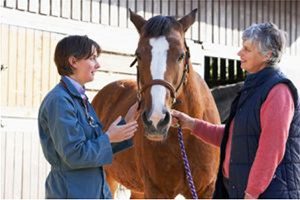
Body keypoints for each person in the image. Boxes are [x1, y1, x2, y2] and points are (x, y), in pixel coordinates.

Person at [172, 22, 300, 199]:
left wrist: (251, 193)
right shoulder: (253, 88)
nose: (240, 53)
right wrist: (191, 124)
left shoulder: (278, 92)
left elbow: (271, 150)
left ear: (267, 55)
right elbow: (235, 137)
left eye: (247, 49)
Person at [38, 35, 139, 199]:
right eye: (92, 58)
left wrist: (126, 122)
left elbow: (93, 145)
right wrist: (108, 137)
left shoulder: (79, 99)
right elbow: (74, 155)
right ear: (73, 61)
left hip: (96, 192)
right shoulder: (59, 101)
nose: (97, 65)